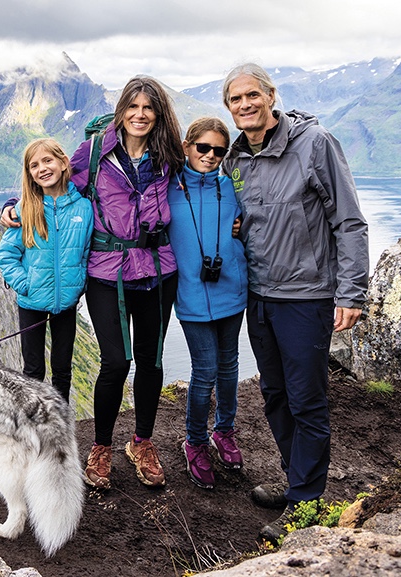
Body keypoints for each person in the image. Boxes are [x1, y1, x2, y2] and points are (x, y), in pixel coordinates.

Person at [2, 76, 183, 490]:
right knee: (116, 362)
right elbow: (52, 186)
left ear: (158, 114)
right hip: (107, 273)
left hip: (157, 269)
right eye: (133, 107)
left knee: (151, 363)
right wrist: (14, 205)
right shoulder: (95, 152)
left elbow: (202, 185)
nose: (140, 115)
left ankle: (142, 441)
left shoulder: (168, 155)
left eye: (148, 108)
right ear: (122, 110)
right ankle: (101, 446)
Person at [220, 63, 369, 541]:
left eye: (251, 95)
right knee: (275, 394)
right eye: (234, 100)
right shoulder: (237, 158)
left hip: (306, 296)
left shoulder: (314, 144)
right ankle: (297, 482)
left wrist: (351, 291)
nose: (243, 105)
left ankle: (306, 505)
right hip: (259, 297)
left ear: (270, 95)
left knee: (307, 400)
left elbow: (349, 222)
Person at [167, 117, 248, 490]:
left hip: (231, 290)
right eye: (203, 148)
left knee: (229, 366)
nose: (211, 156)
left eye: (219, 150)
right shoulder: (167, 189)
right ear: (187, 146)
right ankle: (195, 441)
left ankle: (224, 431)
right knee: (206, 371)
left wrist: (242, 227)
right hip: (192, 295)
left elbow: (254, 219)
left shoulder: (231, 187)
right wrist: (14, 206)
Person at [0, 138, 93, 403]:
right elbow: (6, 255)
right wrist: (26, 285)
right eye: (34, 165)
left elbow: (85, 252)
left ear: (63, 163)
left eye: (47, 160)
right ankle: (34, 427)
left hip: (67, 303)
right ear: (30, 174)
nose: (42, 168)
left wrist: (79, 282)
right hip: (31, 303)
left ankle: (59, 425)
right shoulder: (25, 210)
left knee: (62, 370)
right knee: (33, 370)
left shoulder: (83, 209)